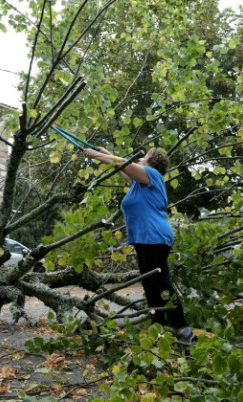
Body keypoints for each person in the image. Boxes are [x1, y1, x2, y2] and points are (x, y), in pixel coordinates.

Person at [83, 146, 197, 343]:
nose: (141, 158)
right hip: (145, 238)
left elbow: (121, 163)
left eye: (145, 156)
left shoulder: (152, 175)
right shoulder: (139, 182)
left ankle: (184, 331)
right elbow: (121, 167)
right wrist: (107, 153)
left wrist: (97, 156)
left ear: (152, 163)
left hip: (154, 236)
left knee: (161, 284)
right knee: (150, 285)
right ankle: (157, 329)